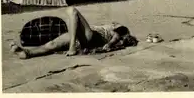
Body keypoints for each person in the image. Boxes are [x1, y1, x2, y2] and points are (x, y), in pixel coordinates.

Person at [10, 7, 138, 59]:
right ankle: (27, 53)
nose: (114, 22)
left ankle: (72, 47)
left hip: (89, 37)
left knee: (72, 11)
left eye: (115, 23)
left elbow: (117, 35)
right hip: (80, 37)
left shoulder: (120, 29)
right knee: (53, 44)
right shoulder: (108, 26)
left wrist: (110, 44)